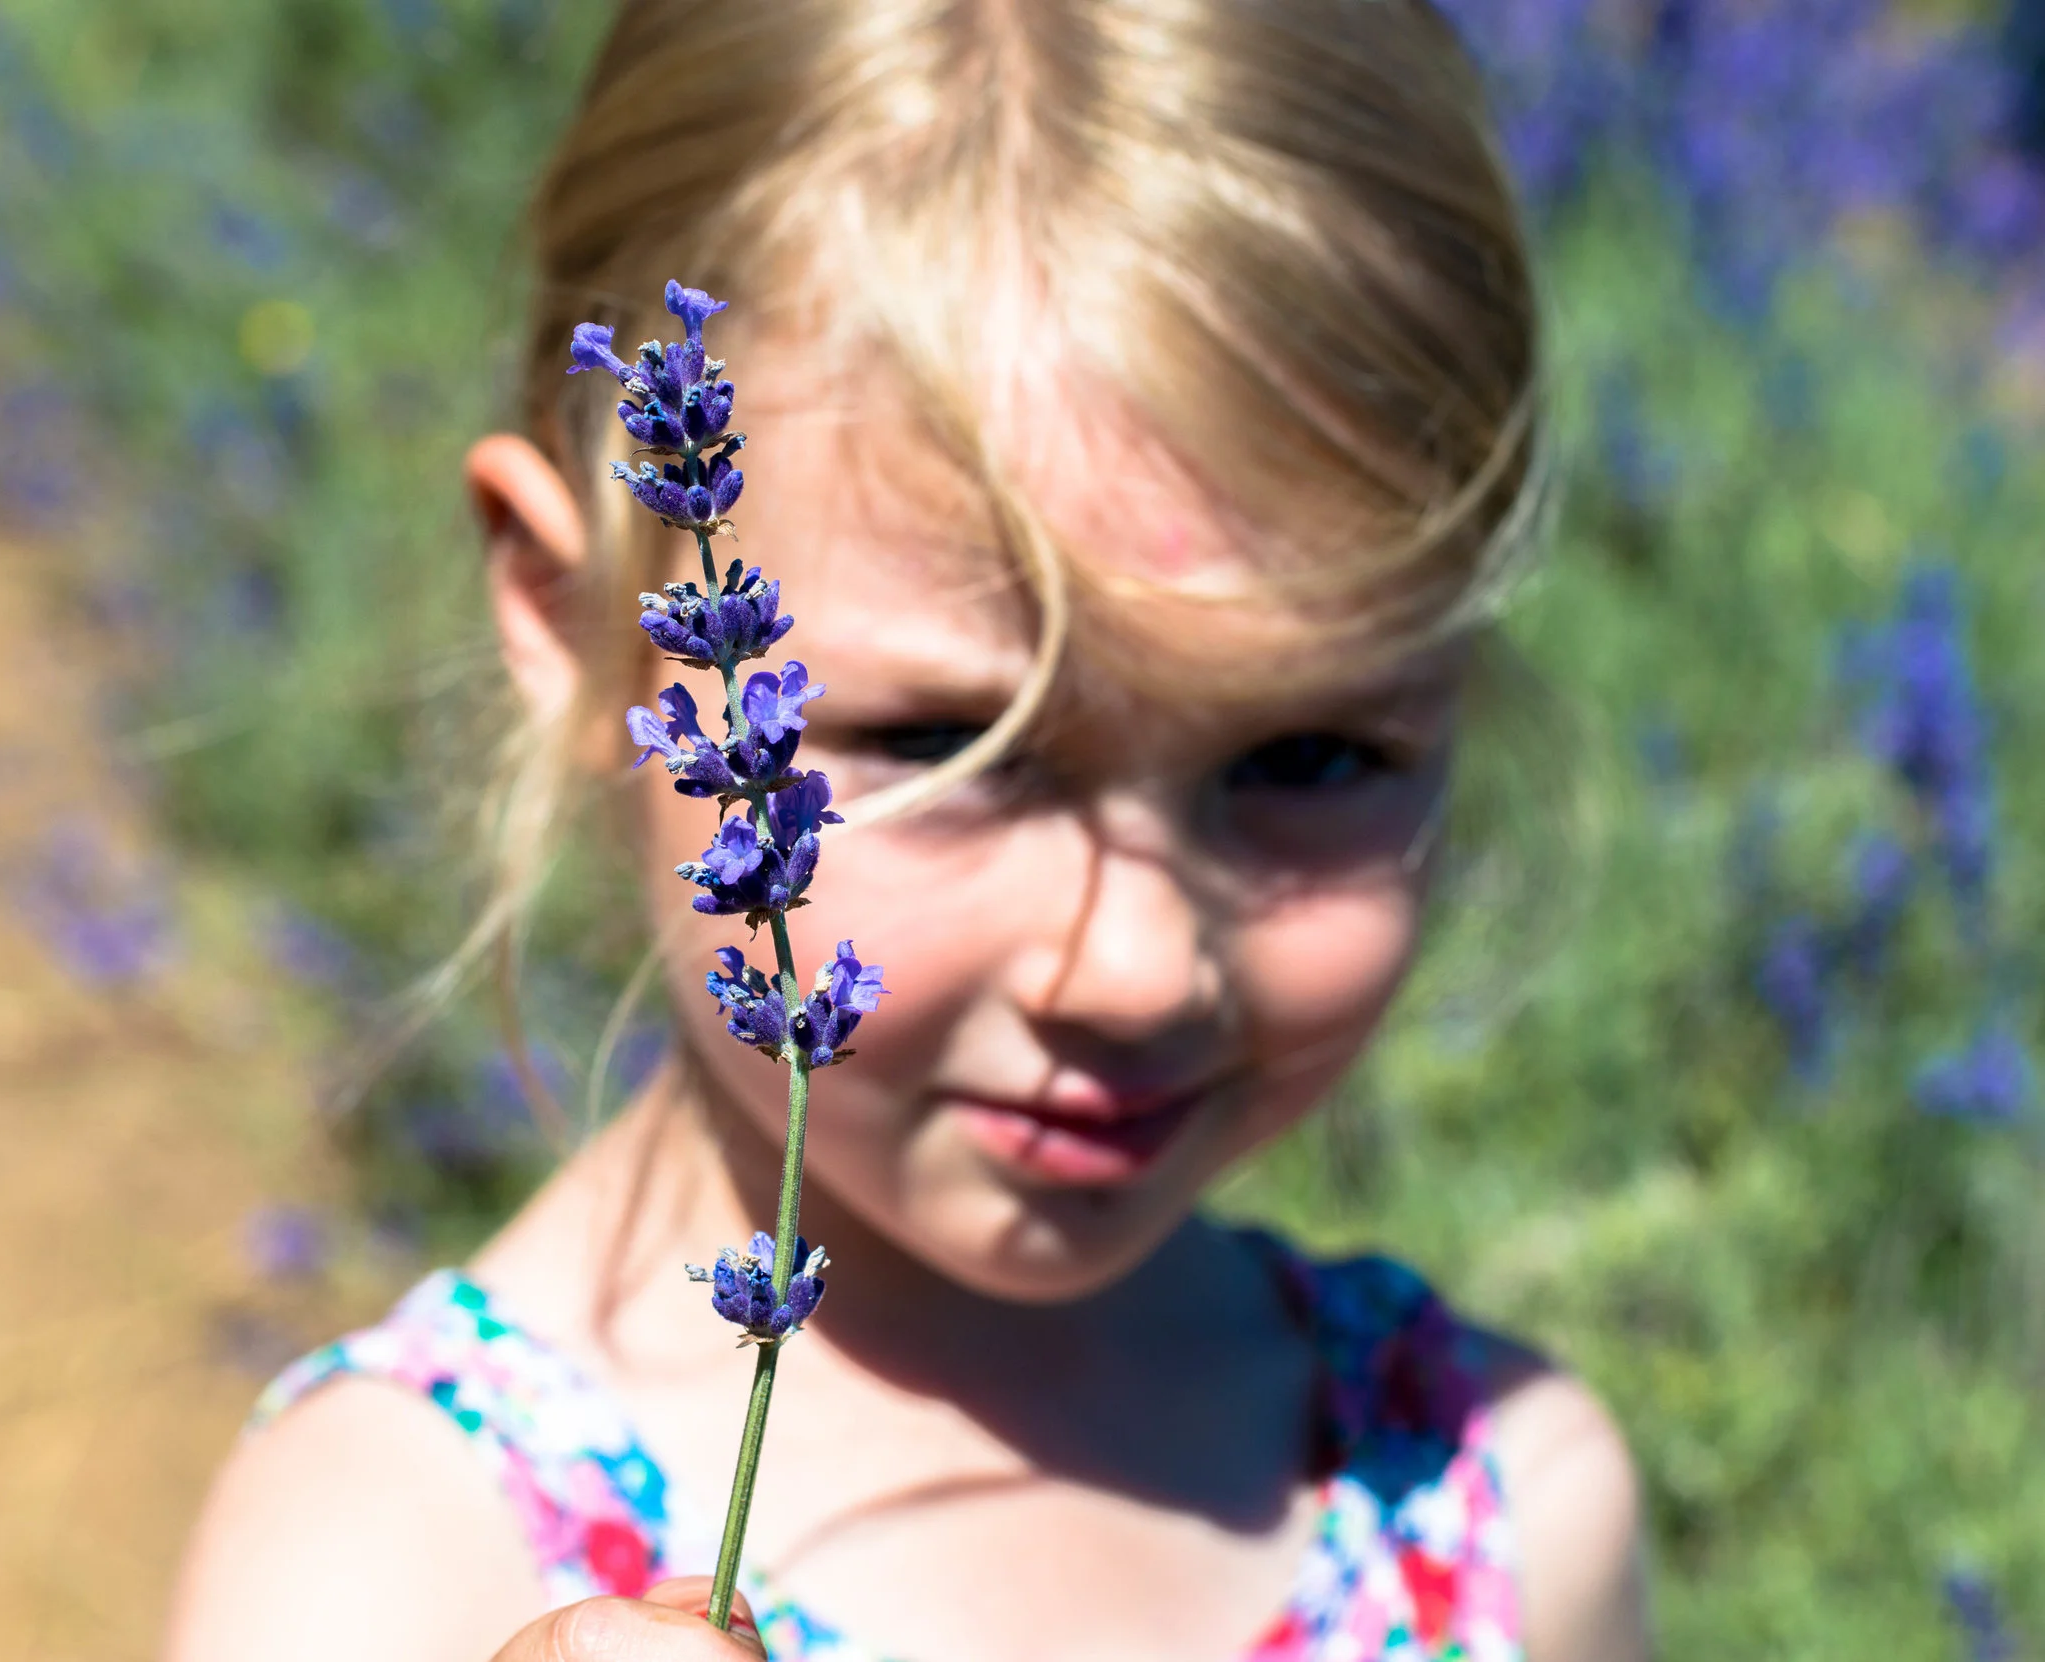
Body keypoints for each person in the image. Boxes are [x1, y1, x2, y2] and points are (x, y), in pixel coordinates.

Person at [165, 1, 1649, 1657]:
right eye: (952, 744)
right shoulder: (399, 1557)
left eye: (1308, 754)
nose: (1142, 966)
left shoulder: (1495, 1491)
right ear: (577, 613)